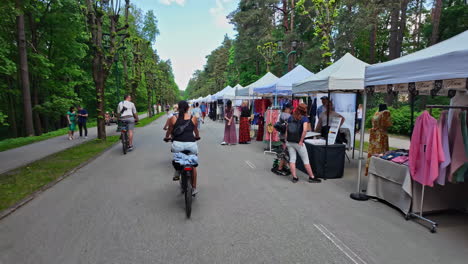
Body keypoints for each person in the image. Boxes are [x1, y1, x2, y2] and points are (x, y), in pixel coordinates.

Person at [165, 100, 200, 195]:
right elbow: (196, 131)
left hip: (177, 145)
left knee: (177, 157)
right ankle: (194, 188)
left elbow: (170, 131)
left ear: (178, 107)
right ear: (188, 108)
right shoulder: (193, 118)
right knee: (193, 166)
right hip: (191, 145)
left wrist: (167, 137)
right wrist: (197, 136)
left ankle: (178, 171)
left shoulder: (173, 118)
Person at [285, 103, 321, 183]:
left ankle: (294, 177)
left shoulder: (291, 117)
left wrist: (286, 139)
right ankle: (311, 177)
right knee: (306, 160)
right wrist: (301, 140)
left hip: (290, 141)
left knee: (292, 159)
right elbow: (305, 130)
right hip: (298, 142)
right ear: (304, 110)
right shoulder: (304, 118)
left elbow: (287, 129)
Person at [366, 104, 392, 175]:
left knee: (377, 151)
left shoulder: (382, 112)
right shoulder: (381, 111)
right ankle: (375, 169)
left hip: (378, 135)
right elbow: (388, 124)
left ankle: (377, 169)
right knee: (376, 152)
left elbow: (386, 124)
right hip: (377, 136)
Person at [272, 103, 292, 175]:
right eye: (290, 109)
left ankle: (283, 166)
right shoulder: (286, 115)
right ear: (286, 108)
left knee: (285, 151)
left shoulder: (282, 114)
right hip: (285, 136)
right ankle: (280, 168)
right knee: (286, 152)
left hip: (282, 136)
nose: (291, 110)